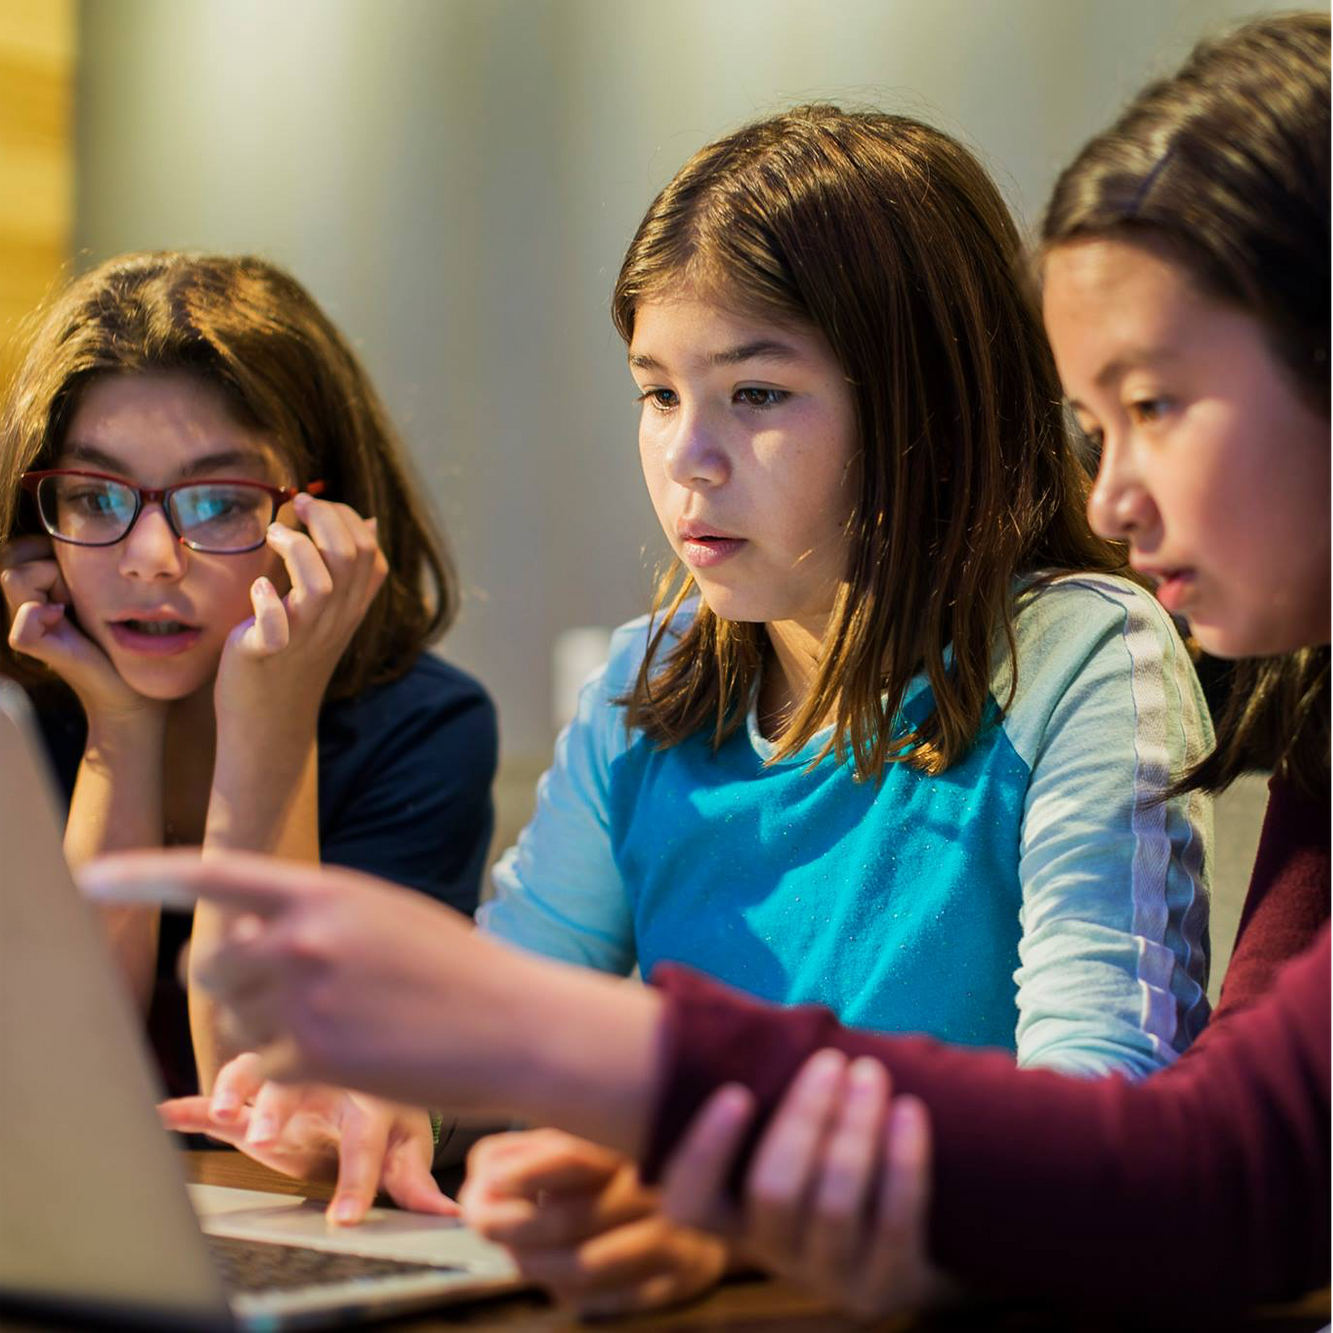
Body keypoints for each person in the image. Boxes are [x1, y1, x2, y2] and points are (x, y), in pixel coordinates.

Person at [106, 104, 1218, 1310]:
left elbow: (1106, 1110)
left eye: (755, 394)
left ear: (921, 409)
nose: (688, 456)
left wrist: (747, 1204)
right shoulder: (651, 679)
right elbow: (507, 1015)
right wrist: (390, 1101)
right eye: (656, 393)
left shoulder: (1081, 654)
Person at [1, 252, 497, 1224]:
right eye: (96, 498)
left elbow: (278, 1120)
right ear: (36, 521)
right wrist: (120, 732)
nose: (150, 561)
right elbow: (42, 1104)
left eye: (220, 502)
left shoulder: (426, 731)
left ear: (325, 518)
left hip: (299, 1242)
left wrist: (272, 720)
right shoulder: (22, 717)